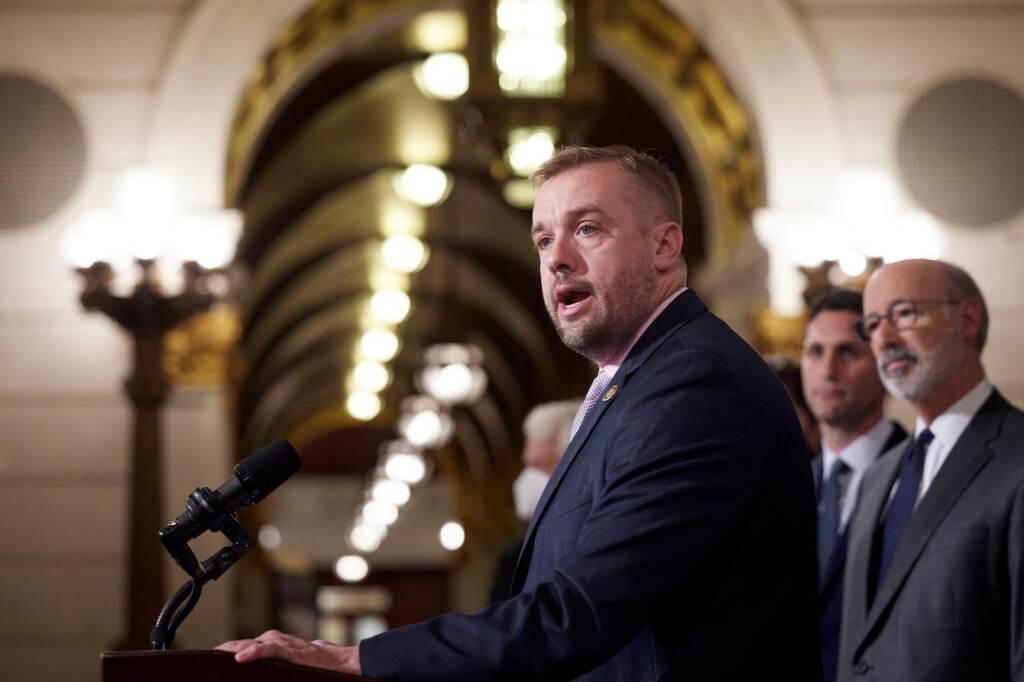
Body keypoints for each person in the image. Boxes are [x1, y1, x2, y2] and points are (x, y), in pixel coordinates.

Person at [219, 145, 821, 680]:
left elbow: (579, 614)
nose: (556, 258)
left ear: (664, 246)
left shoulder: (694, 382)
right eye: (542, 239)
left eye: (587, 229)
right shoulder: (639, 380)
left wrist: (359, 657)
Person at [838, 259, 1024, 682]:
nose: (883, 338)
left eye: (904, 314)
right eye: (872, 324)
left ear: (968, 319)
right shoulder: (876, 477)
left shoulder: (1017, 457)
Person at [799, 289, 907, 682]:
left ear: (884, 363)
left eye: (847, 352)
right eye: (815, 351)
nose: (828, 369)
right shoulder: (788, 484)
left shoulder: (923, 474)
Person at [489, 399, 580, 603]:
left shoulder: (595, 541)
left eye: (540, 464)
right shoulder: (515, 559)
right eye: (528, 464)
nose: (529, 478)